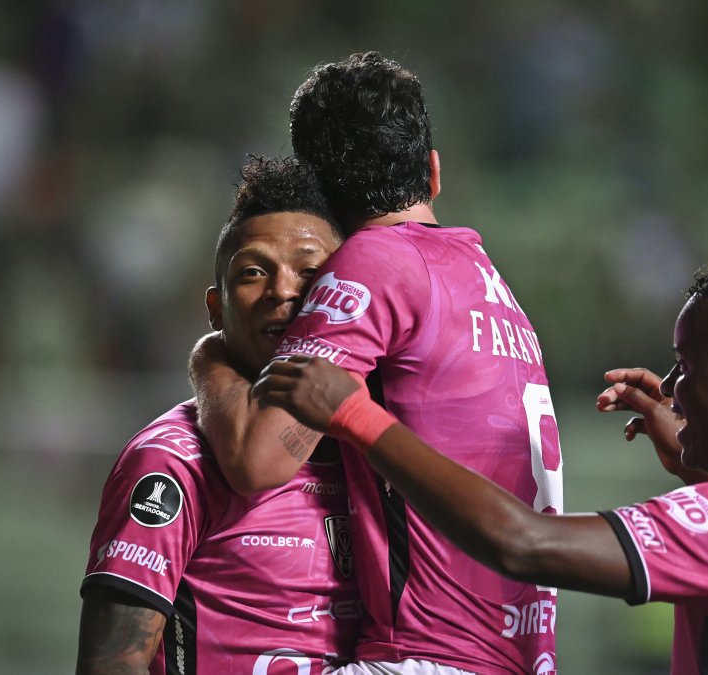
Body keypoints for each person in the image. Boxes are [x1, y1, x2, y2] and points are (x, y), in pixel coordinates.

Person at [254, 248, 708, 674]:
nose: (673, 386)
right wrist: (699, 464)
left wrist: (358, 416)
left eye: (687, 366)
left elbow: (524, 541)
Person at [191, 52, 562, 674]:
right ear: (434, 173)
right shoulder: (486, 280)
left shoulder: (372, 264)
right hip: (522, 656)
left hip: (427, 658)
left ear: (320, 198)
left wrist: (210, 357)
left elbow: (259, 458)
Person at [76, 156, 358, 675]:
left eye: (310, 272)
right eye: (254, 272)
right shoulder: (170, 463)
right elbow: (111, 664)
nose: (283, 290)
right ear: (215, 307)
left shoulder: (367, 455)